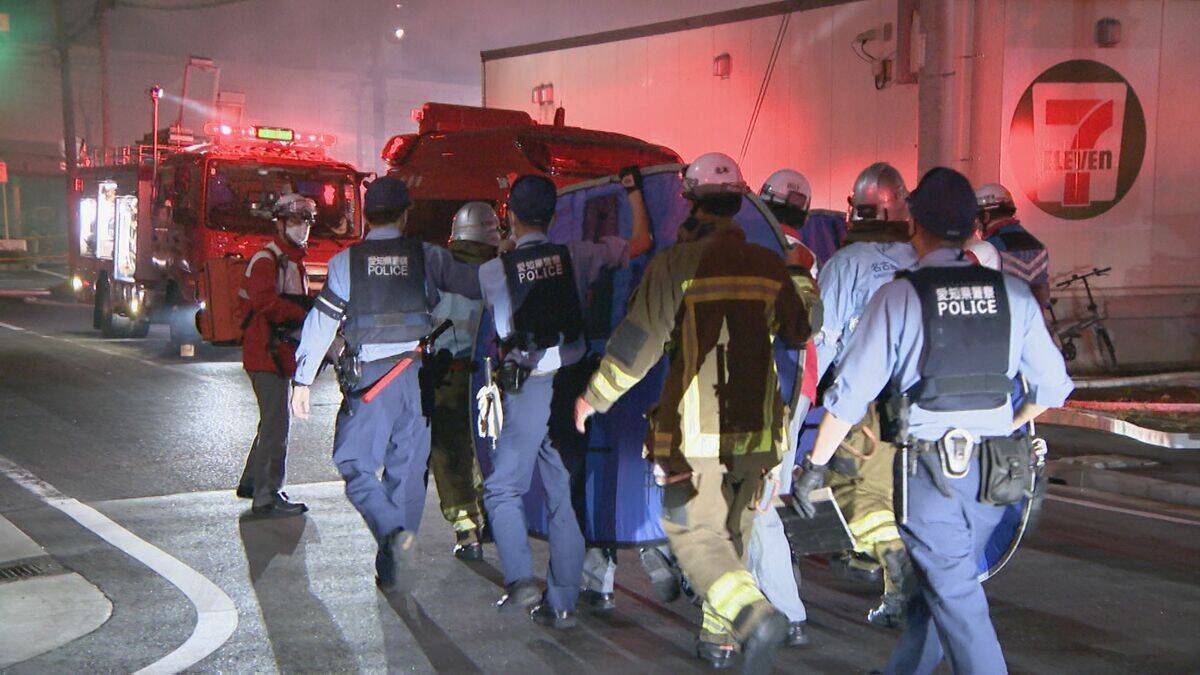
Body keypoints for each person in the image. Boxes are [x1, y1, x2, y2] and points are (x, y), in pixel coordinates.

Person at [794, 167, 1073, 674]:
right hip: (995, 476)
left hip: (931, 475)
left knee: (956, 596)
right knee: (941, 585)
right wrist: (1010, 420)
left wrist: (814, 465)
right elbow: (1053, 387)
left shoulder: (901, 296)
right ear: (972, 227)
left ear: (914, 225)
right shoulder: (1012, 295)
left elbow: (850, 396)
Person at [574, 152, 818, 672]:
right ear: (739, 202)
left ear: (688, 200)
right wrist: (799, 274)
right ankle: (718, 637)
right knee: (736, 532)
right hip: (760, 431)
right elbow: (801, 328)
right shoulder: (767, 265)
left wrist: (593, 397)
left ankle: (750, 614)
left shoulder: (674, 265)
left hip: (698, 432)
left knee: (696, 534)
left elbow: (638, 344)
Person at [289, 176, 482, 591]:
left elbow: (322, 321)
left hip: (372, 383)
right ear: (406, 214)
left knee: (354, 462)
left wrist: (302, 380)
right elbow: (477, 283)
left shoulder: (347, 262)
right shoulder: (428, 256)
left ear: (367, 216)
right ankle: (395, 562)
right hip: (417, 378)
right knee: (407, 473)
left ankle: (391, 533)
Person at [479, 173, 652, 629]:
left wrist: (505, 250)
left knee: (502, 489)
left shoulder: (493, 271)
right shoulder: (577, 255)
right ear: (554, 216)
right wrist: (634, 192)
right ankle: (561, 605)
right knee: (564, 497)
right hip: (573, 387)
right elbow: (641, 242)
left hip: (527, 389)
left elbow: (500, 314)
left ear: (509, 215)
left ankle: (520, 579)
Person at [811, 162, 918, 627]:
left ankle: (888, 558)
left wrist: (804, 395)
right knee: (904, 498)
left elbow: (823, 341)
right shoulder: (922, 260)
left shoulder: (846, 264)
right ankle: (897, 594)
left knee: (850, 492)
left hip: (866, 405)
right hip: (921, 404)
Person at [427, 202, 501, 561]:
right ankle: (496, 516)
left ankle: (466, 531)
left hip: (447, 377)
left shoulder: (436, 268)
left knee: (448, 452)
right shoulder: (499, 271)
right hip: (491, 380)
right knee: (489, 448)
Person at [236, 194, 316, 517]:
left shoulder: (293, 261)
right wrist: (304, 315)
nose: (302, 228)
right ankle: (267, 496)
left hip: (277, 354)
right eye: (295, 221)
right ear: (280, 224)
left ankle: (252, 482)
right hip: (264, 354)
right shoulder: (267, 260)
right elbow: (265, 303)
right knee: (276, 425)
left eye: (306, 222)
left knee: (271, 421)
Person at [976, 183, 1052, 309]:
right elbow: (1043, 295)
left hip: (1002, 318)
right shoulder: (1038, 246)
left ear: (986, 216)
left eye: (977, 218)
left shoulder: (987, 249)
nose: (977, 224)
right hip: (1034, 318)